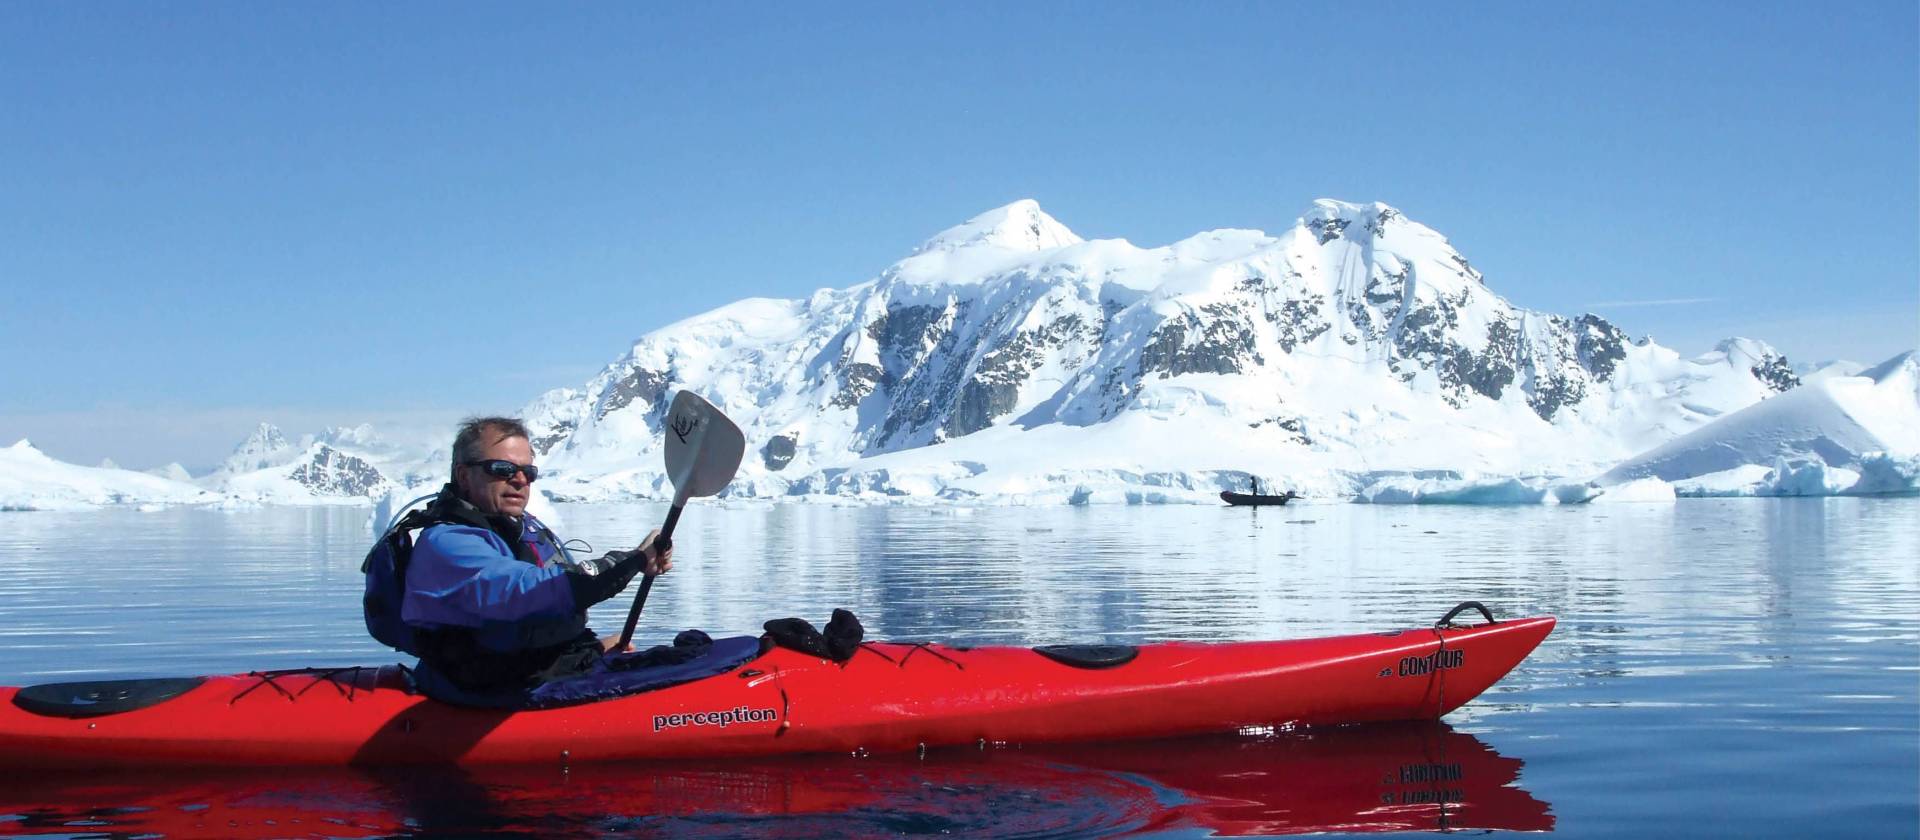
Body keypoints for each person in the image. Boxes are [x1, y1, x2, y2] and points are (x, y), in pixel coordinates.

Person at [400, 416, 672, 697]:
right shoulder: (449, 544)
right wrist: (634, 560)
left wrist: (596, 650)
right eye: (502, 469)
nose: (519, 480)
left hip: (533, 677)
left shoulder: (514, 530)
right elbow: (537, 590)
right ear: (464, 476)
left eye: (528, 472)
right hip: (486, 696)